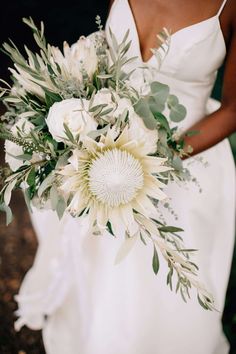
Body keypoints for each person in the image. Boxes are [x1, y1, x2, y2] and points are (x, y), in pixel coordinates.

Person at [15, 1, 236, 353]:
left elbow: (234, 110)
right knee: (101, 259)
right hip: (105, 141)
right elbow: (103, 50)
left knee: (156, 279)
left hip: (186, 152)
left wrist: (152, 161)